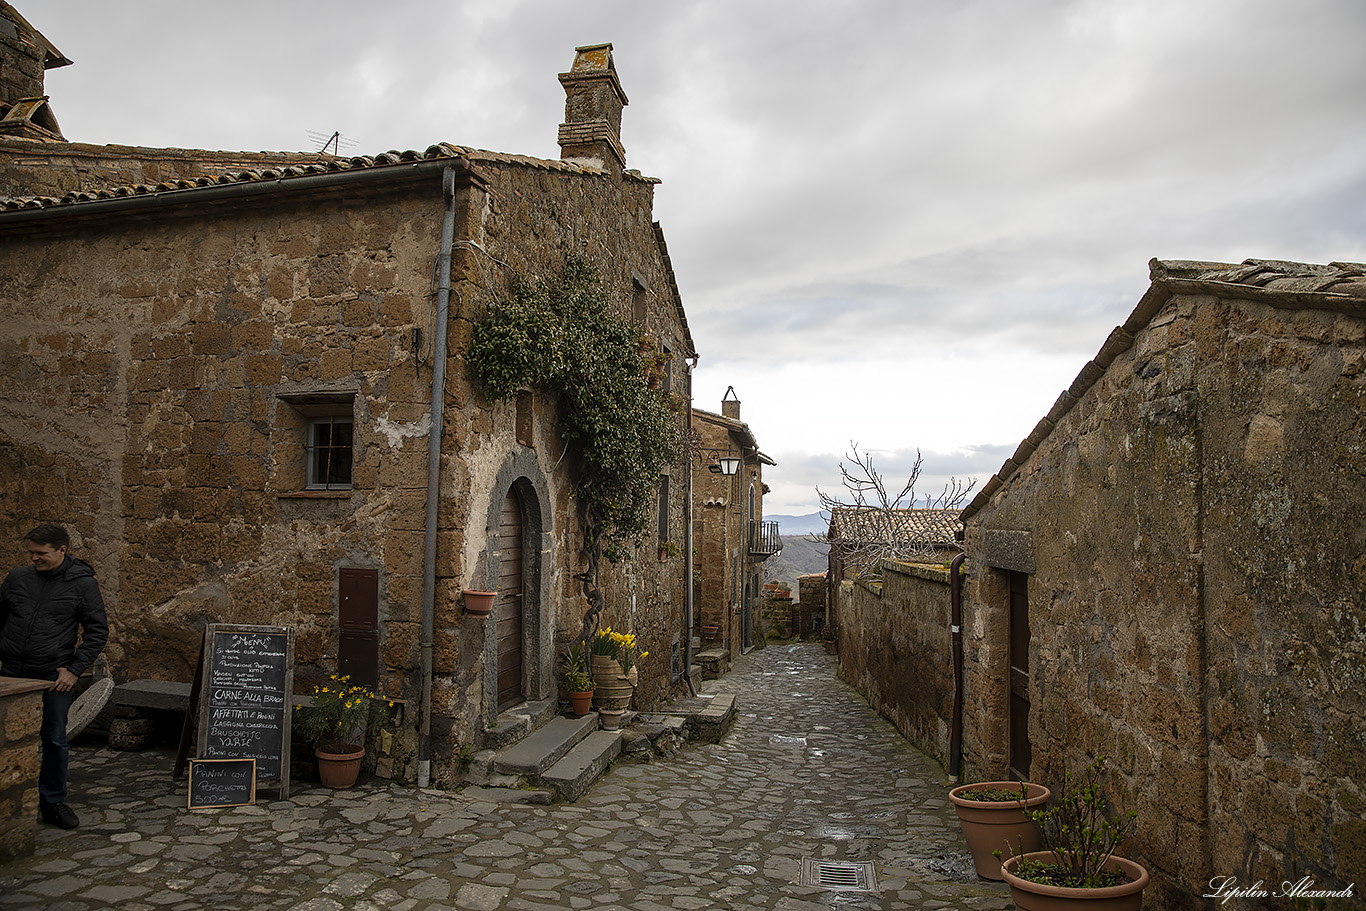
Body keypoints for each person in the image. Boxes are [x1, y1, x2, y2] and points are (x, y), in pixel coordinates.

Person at [0, 524, 108, 829]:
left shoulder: (83, 585)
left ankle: (52, 802)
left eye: (41, 553)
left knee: (54, 739)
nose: (34, 558)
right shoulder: (17, 579)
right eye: (31, 552)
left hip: (52, 675)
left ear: (62, 550)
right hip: (10, 671)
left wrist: (74, 670)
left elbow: (97, 631)